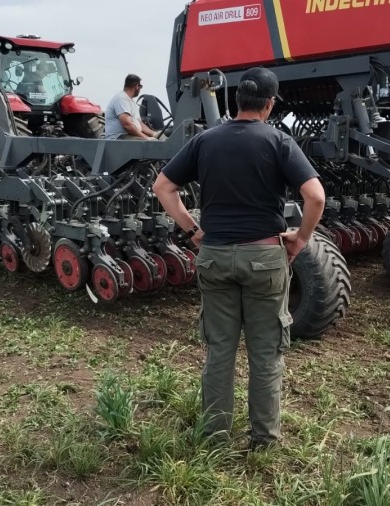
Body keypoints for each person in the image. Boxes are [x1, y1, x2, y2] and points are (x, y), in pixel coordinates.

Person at [152, 67, 325, 450]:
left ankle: (214, 437)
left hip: (214, 257)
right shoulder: (279, 141)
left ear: (236, 101)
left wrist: (193, 231)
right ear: (269, 104)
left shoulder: (205, 140)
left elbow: (163, 187)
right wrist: (300, 239)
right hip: (265, 257)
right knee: (265, 355)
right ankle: (264, 441)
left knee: (219, 353)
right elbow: (315, 196)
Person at [103, 74, 162, 140]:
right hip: (118, 137)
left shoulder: (131, 102)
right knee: (151, 144)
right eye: (141, 86)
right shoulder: (121, 98)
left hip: (127, 136)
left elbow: (139, 123)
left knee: (155, 141)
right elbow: (127, 125)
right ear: (137, 86)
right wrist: (146, 138)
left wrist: (154, 134)